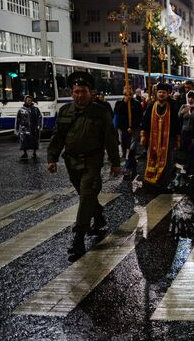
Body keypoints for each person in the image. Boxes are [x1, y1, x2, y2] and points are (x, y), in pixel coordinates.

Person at [47, 71, 120, 262]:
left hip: (92, 161)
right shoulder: (65, 111)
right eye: (76, 92)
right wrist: (52, 158)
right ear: (72, 92)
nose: (79, 95)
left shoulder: (100, 112)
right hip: (71, 162)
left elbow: (110, 139)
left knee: (87, 194)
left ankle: (78, 238)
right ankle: (99, 217)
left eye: (83, 92)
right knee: (85, 195)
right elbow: (58, 137)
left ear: (91, 92)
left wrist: (115, 163)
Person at [140, 83, 180, 191]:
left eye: (164, 92)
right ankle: (151, 181)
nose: (161, 94)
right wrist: (143, 136)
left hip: (168, 140)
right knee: (152, 159)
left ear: (168, 94)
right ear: (157, 93)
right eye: (159, 92)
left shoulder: (172, 106)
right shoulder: (151, 106)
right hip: (153, 140)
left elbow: (176, 123)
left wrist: (177, 138)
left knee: (167, 161)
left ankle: (163, 183)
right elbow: (145, 122)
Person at [114, 86, 143, 179]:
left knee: (130, 149)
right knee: (125, 149)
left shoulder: (137, 103)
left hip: (134, 130)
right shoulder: (119, 103)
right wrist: (124, 102)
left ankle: (128, 169)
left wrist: (132, 127)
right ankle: (133, 164)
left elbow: (139, 117)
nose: (127, 90)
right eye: (125, 88)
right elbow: (117, 113)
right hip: (123, 130)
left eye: (130, 88)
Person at [15, 95, 42, 160]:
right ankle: (25, 153)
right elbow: (18, 119)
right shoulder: (21, 110)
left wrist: (39, 125)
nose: (29, 101)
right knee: (24, 140)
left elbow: (39, 117)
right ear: (25, 101)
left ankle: (34, 153)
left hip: (33, 128)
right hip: (24, 128)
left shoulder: (35, 109)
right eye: (28, 100)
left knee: (34, 140)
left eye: (30, 100)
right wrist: (17, 128)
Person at [178, 90, 194, 178]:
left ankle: (192, 170)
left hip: (193, 133)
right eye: (189, 97)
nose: (190, 99)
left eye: (192, 98)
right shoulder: (183, 106)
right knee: (186, 151)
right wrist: (182, 112)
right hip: (184, 132)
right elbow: (178, 116)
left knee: (193, 151)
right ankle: (187, 168)